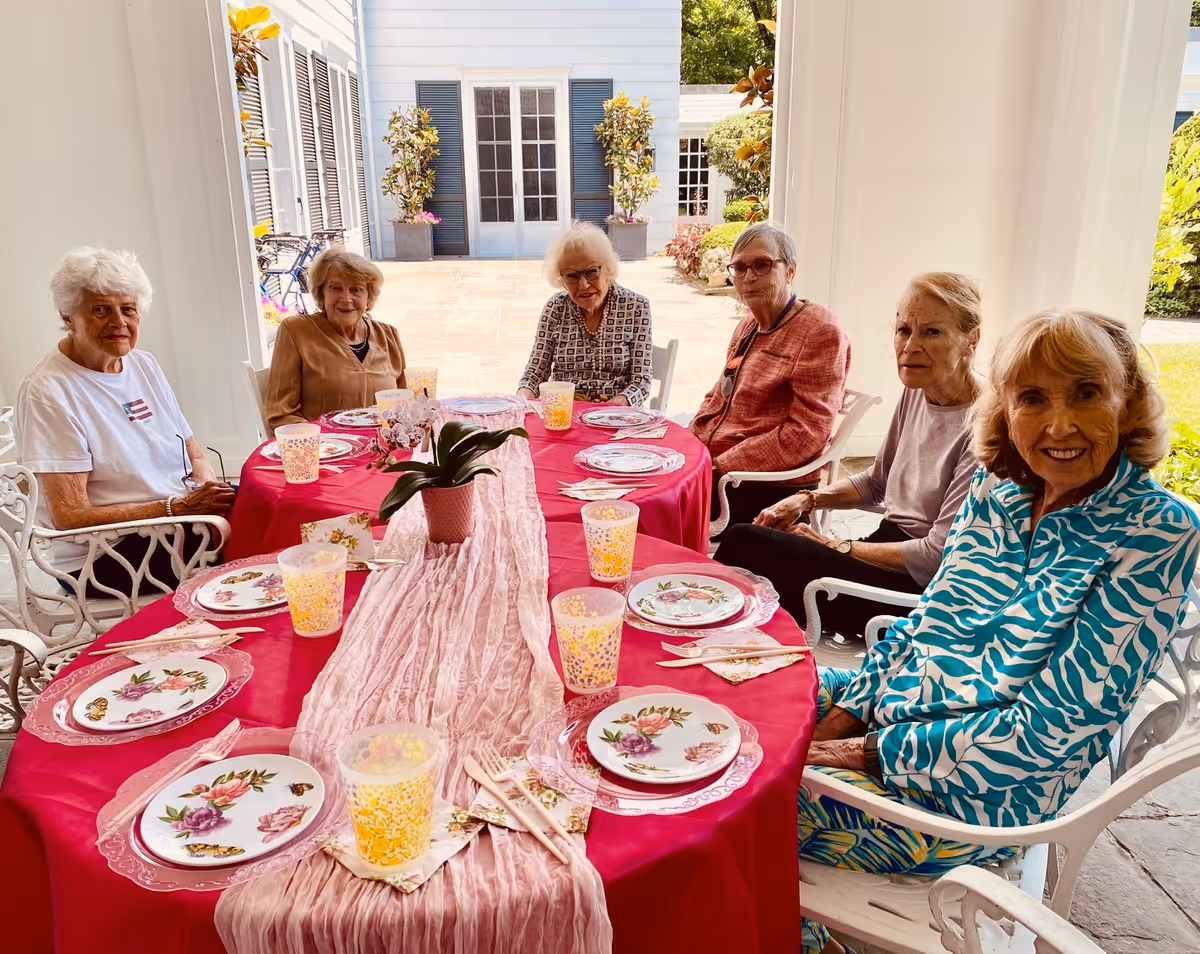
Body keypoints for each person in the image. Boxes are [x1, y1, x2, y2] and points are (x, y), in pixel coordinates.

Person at [797, 309, 1200, 954]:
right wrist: (847, 710)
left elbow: (1051, 731)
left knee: (742, 798)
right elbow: (928, 622)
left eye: (1087, 394)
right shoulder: (999, 489)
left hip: (981, 794)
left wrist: (863, 750)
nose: (1058, 425)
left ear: (1126, 406)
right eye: (1033, 397)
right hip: (902, 713)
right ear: (1006, 408)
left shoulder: (1153, 531)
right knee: (753, 692)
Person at [714, 273, 982, 639]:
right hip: (881, 548)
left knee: (744, 545)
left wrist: (834, 545)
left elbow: (934, 556)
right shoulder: (919, 389)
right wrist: (803, 499)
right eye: (904, 330)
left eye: (932, 332)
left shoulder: (983, 424)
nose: (910, 346)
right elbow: (876, 483)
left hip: (909, 593)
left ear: (972, 340)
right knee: (755, 565)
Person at [16, 248, 236, 592]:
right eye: (100, 309)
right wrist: (175, 508)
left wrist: (207, 495)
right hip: (106, 555)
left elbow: (194, 455)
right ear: (68, 315)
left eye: (128, 309)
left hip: (176, 519)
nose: (119, 322)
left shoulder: (143, 364)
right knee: (259, 545)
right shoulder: (48, 391)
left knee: (273, 505)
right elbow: (69, 516)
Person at [690, 223, 850, 531]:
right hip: (717, 471)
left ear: (789, 271)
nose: (748, 277)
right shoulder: (747, 327)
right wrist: (689, 440)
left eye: (761, 265)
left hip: (763, 486)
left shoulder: (820, 331)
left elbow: (807, 433)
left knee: (649, 509)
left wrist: (721, 466)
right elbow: (716, 397)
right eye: (739, 267)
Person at [264, 249, 406, 429]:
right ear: (321, 292)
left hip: (386, 451)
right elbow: (281, 413)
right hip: (328, 450)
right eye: (335, 288)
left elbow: (407, 405)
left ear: (368, 296)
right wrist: (326, 443)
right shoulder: (296, 332)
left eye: (356, 289)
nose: (346, 299)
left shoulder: (388, 335)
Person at [516, 221, 653, 406]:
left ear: (608, 269)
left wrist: (610, 410)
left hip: (616, 418)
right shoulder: (555, 308)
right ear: (561, 278)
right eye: (572, 275)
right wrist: (519, 403)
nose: (583, 285)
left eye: (591, 272)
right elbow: (535, 373)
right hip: (564, 414)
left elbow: (641, 382)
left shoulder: (636, 307)